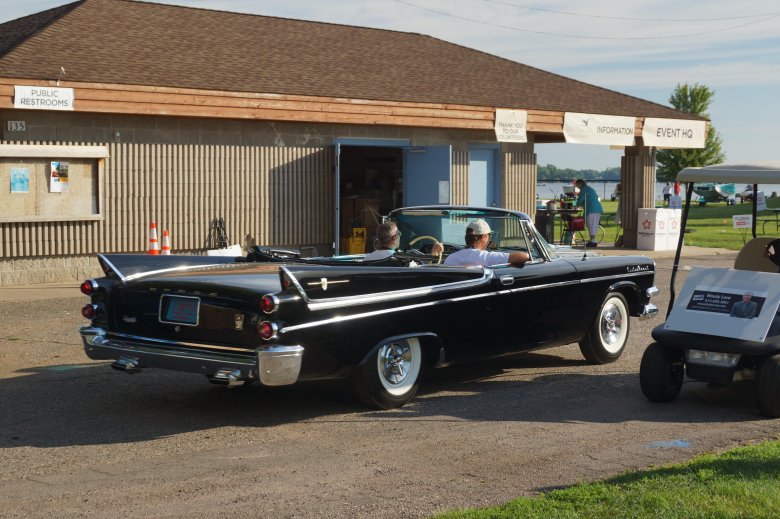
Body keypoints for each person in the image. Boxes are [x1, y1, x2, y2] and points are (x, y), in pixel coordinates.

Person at [443, 219, 530, 267]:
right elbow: (524, 257)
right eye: (489, 235)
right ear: (484, 237)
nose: (490, 238)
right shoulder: (485, 257)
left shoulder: (451, 258)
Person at [364, 221, 443, 261]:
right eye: (399, 234)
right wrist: (434, 253)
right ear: (394, 238)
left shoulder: (368, 259)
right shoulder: (402, 260)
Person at [573, 179, 603, 248]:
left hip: (592, 209)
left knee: (592, 225)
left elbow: (580, 199)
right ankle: (591, 240)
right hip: (595, 209)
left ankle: (593, 241)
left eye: (577, 185)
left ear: (580, 184)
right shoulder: (589, 189)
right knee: (591, 225)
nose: (576, 186)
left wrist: (576, 205)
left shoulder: (584, 190)